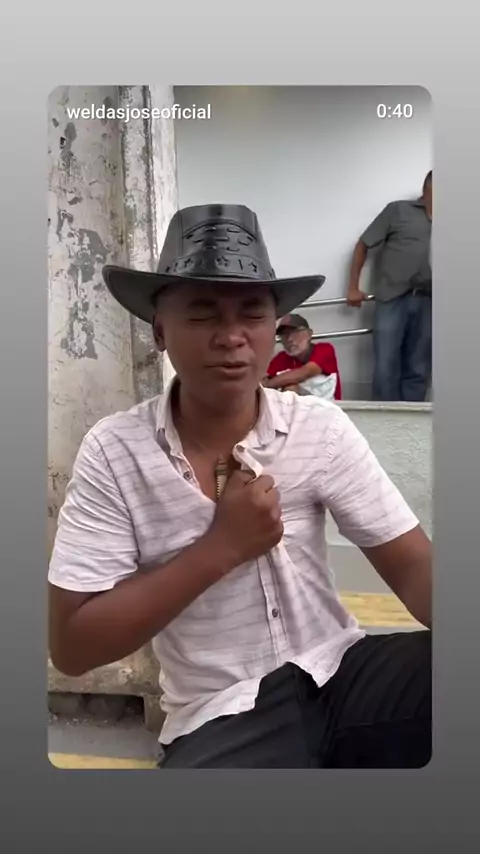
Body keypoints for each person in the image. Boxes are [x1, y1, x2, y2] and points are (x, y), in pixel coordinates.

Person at [48, 203, 431, 769]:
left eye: (252, 314)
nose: (231, 337)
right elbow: (73, 645)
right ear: (160, 331)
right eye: (202, 315)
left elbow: (416, 570)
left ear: (274, 327)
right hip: (220, 713)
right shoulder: (115, 452)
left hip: (341, 674)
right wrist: (221, 548)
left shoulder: (318, 428)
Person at [347, 171, 432, 402]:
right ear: (426, 190)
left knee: (419, 367)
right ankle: (384, 421)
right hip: (393, 298)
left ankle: (411, 421)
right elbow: (363, 245)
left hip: (430, 302)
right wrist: (353, 287)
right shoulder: (398, 210)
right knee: (386, 366)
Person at [264, 313, 342, 400]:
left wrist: (268, 384)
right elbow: (263, 378)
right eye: (284, 334)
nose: (289, 339)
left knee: (290, 388)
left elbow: (306, 372)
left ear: (309, 334)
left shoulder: (324, 349)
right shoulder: (282, 357)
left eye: (295, 333)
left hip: (329, 406)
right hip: (297, 406)